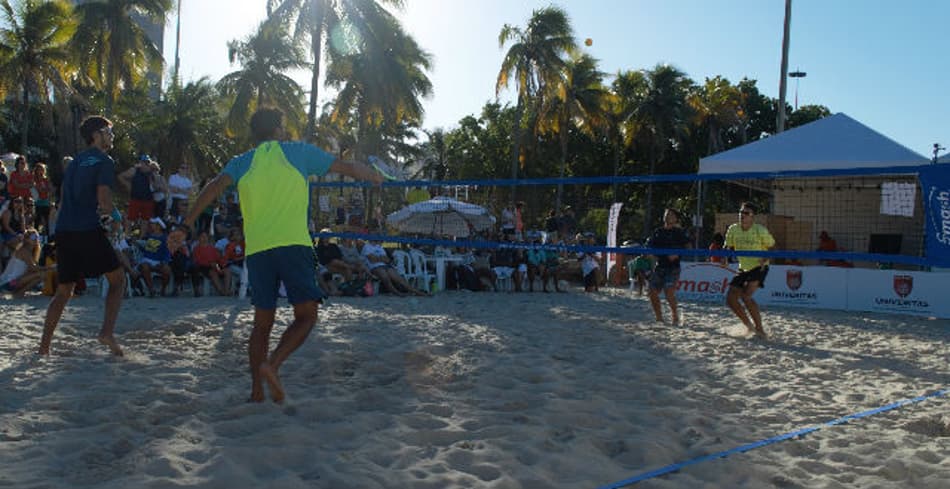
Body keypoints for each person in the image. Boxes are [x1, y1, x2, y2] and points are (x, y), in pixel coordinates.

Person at [183, 107, 384, 403]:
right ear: (278, 129)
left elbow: (213, 187)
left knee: (261, 324)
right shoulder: (297, 152)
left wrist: (185, 224)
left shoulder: (242, 162)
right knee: (306, 316)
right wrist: (372, 174)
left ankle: (256, 393)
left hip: (258, 250)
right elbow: (346, 167)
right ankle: (272, 365)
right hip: (293, 245)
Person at [40, 116, 126, 356]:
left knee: (63, 291)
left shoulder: (75, 161)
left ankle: (44, 347)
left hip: (64, 229)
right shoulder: (104, 160)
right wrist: (118, 216)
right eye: (109, 130)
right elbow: (104, 200)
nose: (112, 134)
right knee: (118, 280)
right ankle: (107, 332)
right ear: (97, 134)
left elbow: (66, 199)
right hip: (86, 228)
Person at [724, 202, 775, 339]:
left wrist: (765, 257)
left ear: (753, 217)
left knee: (746, 296)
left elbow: (772, 246)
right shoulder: (733, 229)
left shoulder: (760, 230)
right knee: (730, 299)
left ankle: (760, 329)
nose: (742, 215)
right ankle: (749, 326)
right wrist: (725, 259)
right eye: (741, 212)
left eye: (746, 213)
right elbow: (728, 246)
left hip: (760, 266)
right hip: (743, 267)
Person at [646, 209, 691, 325]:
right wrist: (650, 254)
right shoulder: (658, 232)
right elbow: (649, 246)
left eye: (671, 214)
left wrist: (677, 253)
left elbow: (689, 247)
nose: (668, 216)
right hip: (660, 266)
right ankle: (659, 317)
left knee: (669, 292)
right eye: (666, 214)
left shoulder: (679, 232)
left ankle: (675, 315)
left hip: (673, 267)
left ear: (676, 218)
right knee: (652, 292)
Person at [0, 229, 48, 297]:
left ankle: (18, 292)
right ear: (26, 239)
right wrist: (50, 267)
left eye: (37, 237)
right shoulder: (24, 250)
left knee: (39, 275)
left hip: (12, 283)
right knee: (41, 275)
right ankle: (19, 293)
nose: (36, 239)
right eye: (33, 237)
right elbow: (33, 267)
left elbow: (31, 269)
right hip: (8, 284)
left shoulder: (31, 251)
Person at [119, 154, 156, 222]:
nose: (145, 164)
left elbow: (155, 186)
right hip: (135, 199)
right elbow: (121, 176)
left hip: (148, 200)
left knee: (145, 220)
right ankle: (127, 233)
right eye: (144, 162)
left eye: (147, 162)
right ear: (140, 162)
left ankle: (142, 233)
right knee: (130, 219)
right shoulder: (134, 170)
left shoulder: (152, 172)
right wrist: (128, 185)